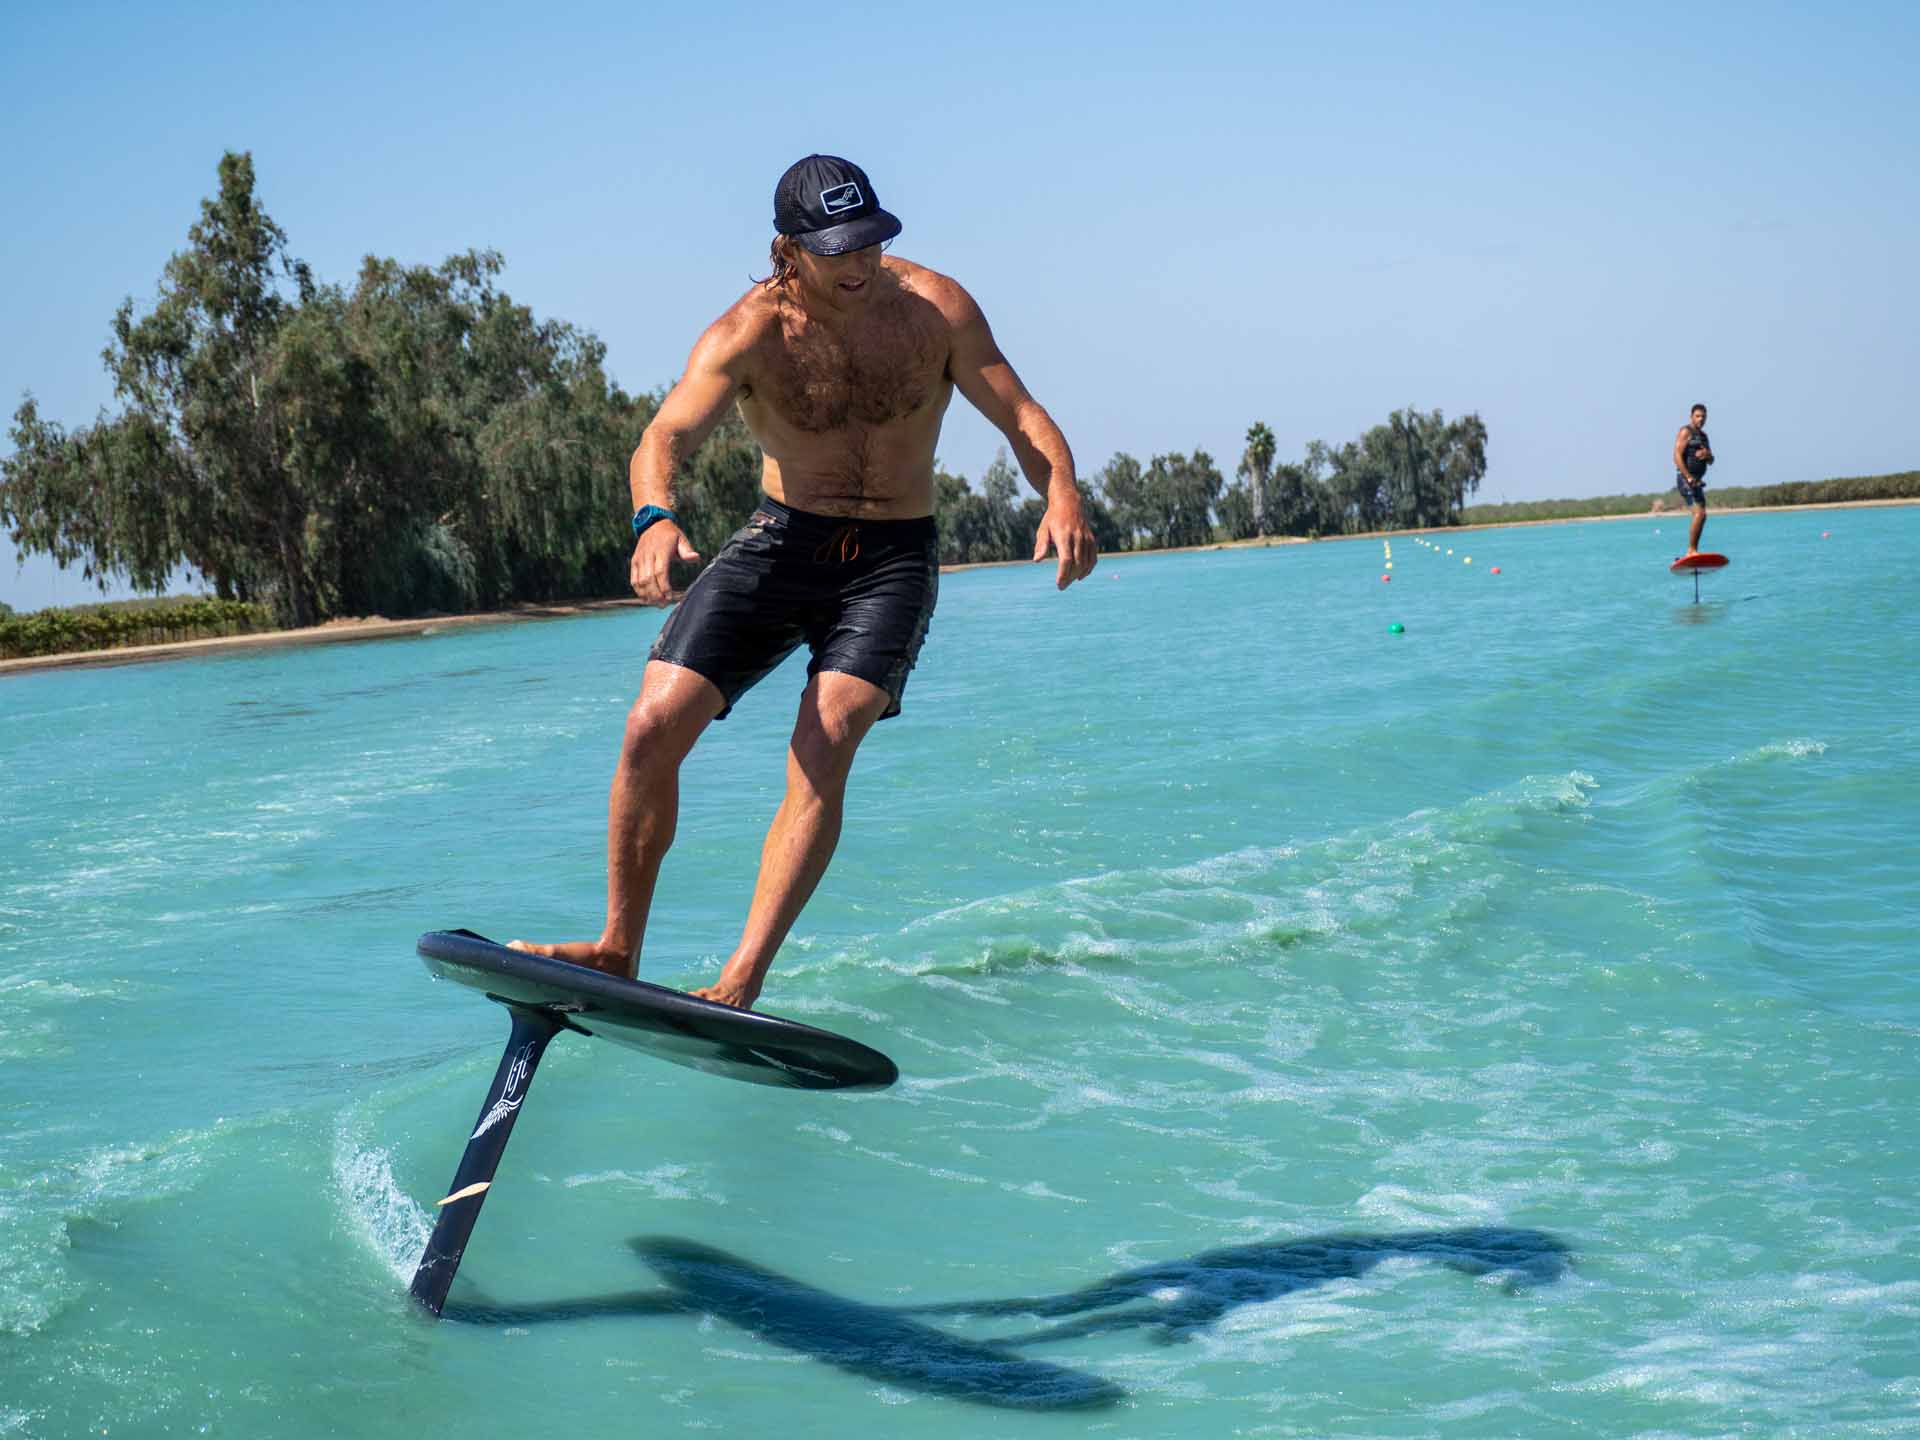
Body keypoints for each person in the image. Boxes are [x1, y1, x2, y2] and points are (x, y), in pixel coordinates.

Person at [511, 154, 1098, 1009]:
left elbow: (1020, 412)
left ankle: (741, 978)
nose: (860, 263)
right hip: (783, 541)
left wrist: (1063, 491)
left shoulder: (935, 310)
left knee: (827, 735)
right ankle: (615, 949)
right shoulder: (749, 333)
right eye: (837, 250)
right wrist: (655, 515)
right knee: (650, 725)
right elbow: (665, 434)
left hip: (892, 556)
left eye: (871, 241)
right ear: (789, 250)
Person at [1672, 403, 1714, 554]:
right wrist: (1688, 477)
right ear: (1691, 417)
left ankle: (1693, 550)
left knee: (1703, 516)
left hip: (1697, 482)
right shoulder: (1685, 432)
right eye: (1697, 416)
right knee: (1699, 513)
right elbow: (1676, 456)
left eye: (1703, 416)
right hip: (1685, 480)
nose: (1701, 419)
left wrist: (1706, 455)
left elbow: (1711, 460)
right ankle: (1691, 550)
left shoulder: (1704, 437)